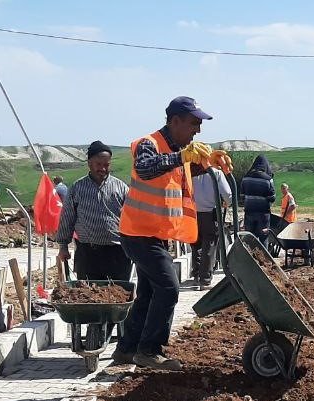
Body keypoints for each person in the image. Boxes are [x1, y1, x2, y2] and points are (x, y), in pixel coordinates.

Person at [116, 96, 230, 371]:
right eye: (194, 123)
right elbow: (145, 168)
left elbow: (178, 170)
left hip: (153, 234)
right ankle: (149, 351)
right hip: (137, 233)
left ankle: (127, 349)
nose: (198, 131)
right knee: (168, 287)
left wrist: (207, 164)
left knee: (148, 293)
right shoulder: (150, 144)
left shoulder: (176, 149)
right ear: (175, 120)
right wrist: (182, 156)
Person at [56, 141, 132, 281]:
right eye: (99, 164)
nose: (103, 169)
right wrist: (63, 246)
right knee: (88, 296)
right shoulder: (77, 188)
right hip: (88, 254)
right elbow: (67, 218)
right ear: (89, 163)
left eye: (106, 165)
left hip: (118, 254)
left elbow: (132, 219)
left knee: (119, 295)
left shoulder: (121, 188)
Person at [191, 165, 232, 288]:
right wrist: (227, 203)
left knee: (196, 243)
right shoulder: (216, 173)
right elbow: (228, 194)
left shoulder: (192, 171)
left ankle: (197, 274)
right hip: (211, 212)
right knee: (210, 245)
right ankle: (205, 279)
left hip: (193, 213)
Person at [240, 154, 275, 239]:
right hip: (263, 214)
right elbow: (272, 198)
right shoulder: (268, 179)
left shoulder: (245, 178)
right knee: (263, 239)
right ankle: (262, 252)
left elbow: (242, 196)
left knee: (249, 239)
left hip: (249, 213)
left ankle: (249, 252)